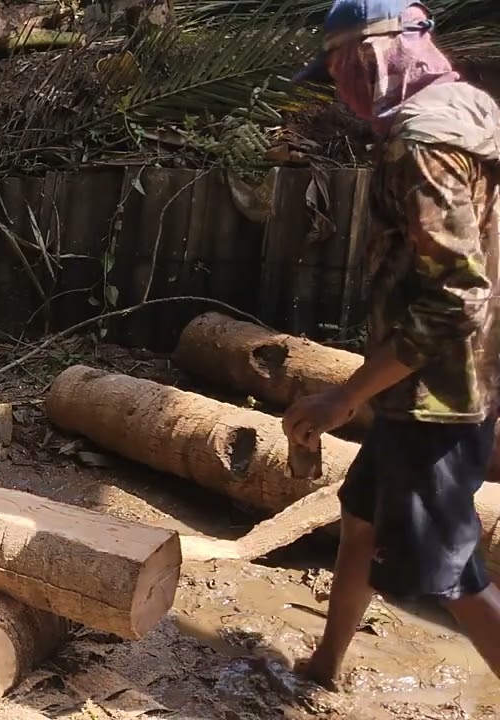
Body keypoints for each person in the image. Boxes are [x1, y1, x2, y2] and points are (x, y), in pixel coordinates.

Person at [283, 0, 500, 690]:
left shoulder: (423, 139)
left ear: (377, 56)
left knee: (454, 578)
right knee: (358, 522)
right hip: (433, 382)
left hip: (437, 396)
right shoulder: (472, 111)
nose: (342, 93)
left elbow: (458, 298)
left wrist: (346, 393)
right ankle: (326, 667)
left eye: (344, 71)